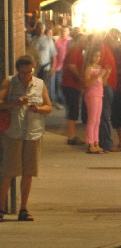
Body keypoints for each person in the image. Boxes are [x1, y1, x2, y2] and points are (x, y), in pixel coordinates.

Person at [0, 55, 53, 222]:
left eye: (29, 72)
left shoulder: (40, 84)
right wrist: (15, 102)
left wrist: (37, 109)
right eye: (23, 73)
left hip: (33, 132)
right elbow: (1, 103)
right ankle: (0, 209)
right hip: (13, 132)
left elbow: (48, 107)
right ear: (17, 71)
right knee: (9, 171)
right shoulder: (10, 82)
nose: (26, 76)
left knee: (28, 172)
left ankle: (23, 208)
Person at [62, 33, 88, 145]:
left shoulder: (77, 51)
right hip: (71, 84)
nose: (87, 43)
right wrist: (81, 79)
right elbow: (72, 67)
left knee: (73, 110)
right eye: (85, 41)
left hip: (72, 85)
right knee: (73, 110)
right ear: (80, 40)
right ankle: (71, 136)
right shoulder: (75, 50)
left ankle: (72, 135)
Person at [84, 47, 110, 154]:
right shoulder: (89, 68)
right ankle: (90, 143)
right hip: (92, 95)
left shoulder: (99, 67)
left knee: (97, 120)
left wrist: (107, 74)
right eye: (95, 55)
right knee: (92, 119)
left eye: (99, 56)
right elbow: (87, 83)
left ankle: (96, 142)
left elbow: (103, 83)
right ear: (91, 56)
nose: (97, 58)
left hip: (99, 94)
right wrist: (99, 75)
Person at [52, 25, 72, 108]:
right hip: (60, 66)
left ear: (68, 32)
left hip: (69, 67)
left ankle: (68, 100)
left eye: (65, 31)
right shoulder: (57, 42)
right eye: (62, 31)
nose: (64, 33)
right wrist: (54, 66)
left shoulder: (71, 41)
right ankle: (61, 101)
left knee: (68, 84)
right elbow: (55, 55)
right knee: (59, 83)